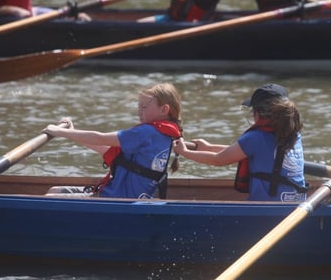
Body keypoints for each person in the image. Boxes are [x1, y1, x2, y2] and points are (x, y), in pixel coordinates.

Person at [42, 83, 183, 199]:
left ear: (164, 110)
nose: (139, 112)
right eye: (139, 106)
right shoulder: (163, 135)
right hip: (125, 195)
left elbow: (100, 138)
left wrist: (59, 131)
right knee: (55, 190)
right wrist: (71, 132)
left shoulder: (146, 132)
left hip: (117, 198)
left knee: (50, 197)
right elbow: (109, 150)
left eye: (144, 107)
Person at [173, 83, 308, 202]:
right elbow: (242, 151)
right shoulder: (293, 134)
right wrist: (208, 147)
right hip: (295, 204)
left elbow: (218, 160)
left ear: (258, 113)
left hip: (267, 207)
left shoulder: (255, 137)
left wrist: (185, 152)